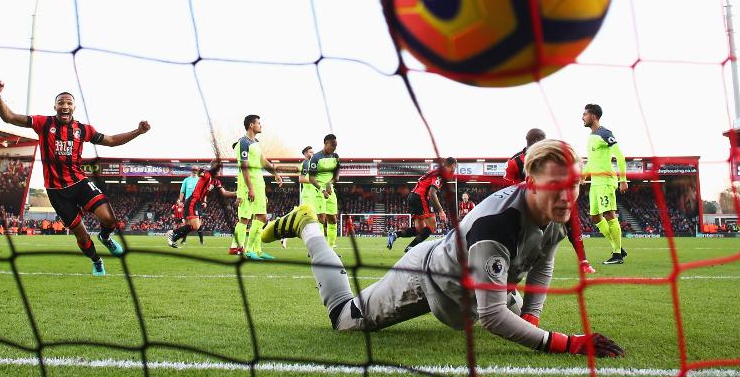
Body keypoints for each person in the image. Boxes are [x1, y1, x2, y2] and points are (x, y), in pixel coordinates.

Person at [261, 139, 624, 357]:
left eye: (574, 184)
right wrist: (565, 344)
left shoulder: (557, 212)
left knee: (505, 305)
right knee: (344, 319)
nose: (567, 195)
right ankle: (307, 226)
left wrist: (532, 317)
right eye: (556, 184)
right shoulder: (496, 226)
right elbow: (494, 317)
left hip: (468, 281)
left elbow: (543, 261)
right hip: (427, 279)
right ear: (530, 182)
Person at [0, 81, 150, 276]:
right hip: (56, 192)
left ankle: (106, 238)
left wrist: (138, 131)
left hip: (79, 182)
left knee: (109, 219)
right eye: (61, 103)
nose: (64, 106)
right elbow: (9, 117)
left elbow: (110, 141)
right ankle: (97, 261)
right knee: (82, 236)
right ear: (55, 106)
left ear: (74, 107)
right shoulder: (43, 123)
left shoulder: (83, 130)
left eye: (68, 103)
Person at [509, 128, 593, 275]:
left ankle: (583, 261)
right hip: (526, 205)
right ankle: (511, 263)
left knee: (572, 224)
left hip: (552, 200)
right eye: (543, 140)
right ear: (535, 142)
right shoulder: (515, 162)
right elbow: (510, 188)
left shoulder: (552, 158)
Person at [232, 115, 284, 261]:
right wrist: (250, 188)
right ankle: (246, 250)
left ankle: (257, 250)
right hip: (251, 184)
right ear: (251, 125)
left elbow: (263, 161)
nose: (261, 126)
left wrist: (275, 173)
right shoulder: (243, 142)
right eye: (258, 123)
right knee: (248, 217)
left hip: (259, 183)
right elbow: (245, 167)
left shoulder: (256, 143)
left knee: (261, 217)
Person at [583, 104, 629, 265]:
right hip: (595, 184)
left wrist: (623, 179)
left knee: (609, 214)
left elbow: (620, 156)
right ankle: (618, 248)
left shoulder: (605, 133)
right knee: (595, 217)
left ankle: (617, 254)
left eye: (585, 114)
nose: (582, 117)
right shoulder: (590, 137)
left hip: (606, 182)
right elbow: (591, 161)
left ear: (593, 116)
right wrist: (583, 175)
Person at [170, 160, 237, 247]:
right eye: (219, 168)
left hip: (198, 203)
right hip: (192, 201)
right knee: (195, 225)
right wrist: (200, 170)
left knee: (194, 226)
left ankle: (173, 239)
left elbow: (224, 192)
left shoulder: (216, 181)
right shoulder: (206, 174)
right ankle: (172, 234)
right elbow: (199, 173)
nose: (220, 171)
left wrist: (237, 193)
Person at [397, 158, 458, 252]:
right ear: (453, 166)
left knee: (419, 229)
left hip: (412, 197)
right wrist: (441, 211)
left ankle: (395, 235)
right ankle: (411, 248)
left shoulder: (436, 171)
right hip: (420, 197)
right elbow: (432, 193)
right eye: (455, 167)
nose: (454, 171)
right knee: (432, 226)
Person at [310, 135, 341, 251]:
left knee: (332, 218)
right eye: (333, 145)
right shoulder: (316, 157)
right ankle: (319, 249)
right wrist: (322, 189)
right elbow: (311, 178)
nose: (334, 148)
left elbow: (337, 172)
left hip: (330, 190)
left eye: (336, 145)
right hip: (318, 190)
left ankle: (331, 248)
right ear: (326, 143)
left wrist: (330, 182)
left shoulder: (335, 156)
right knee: (321, 219)